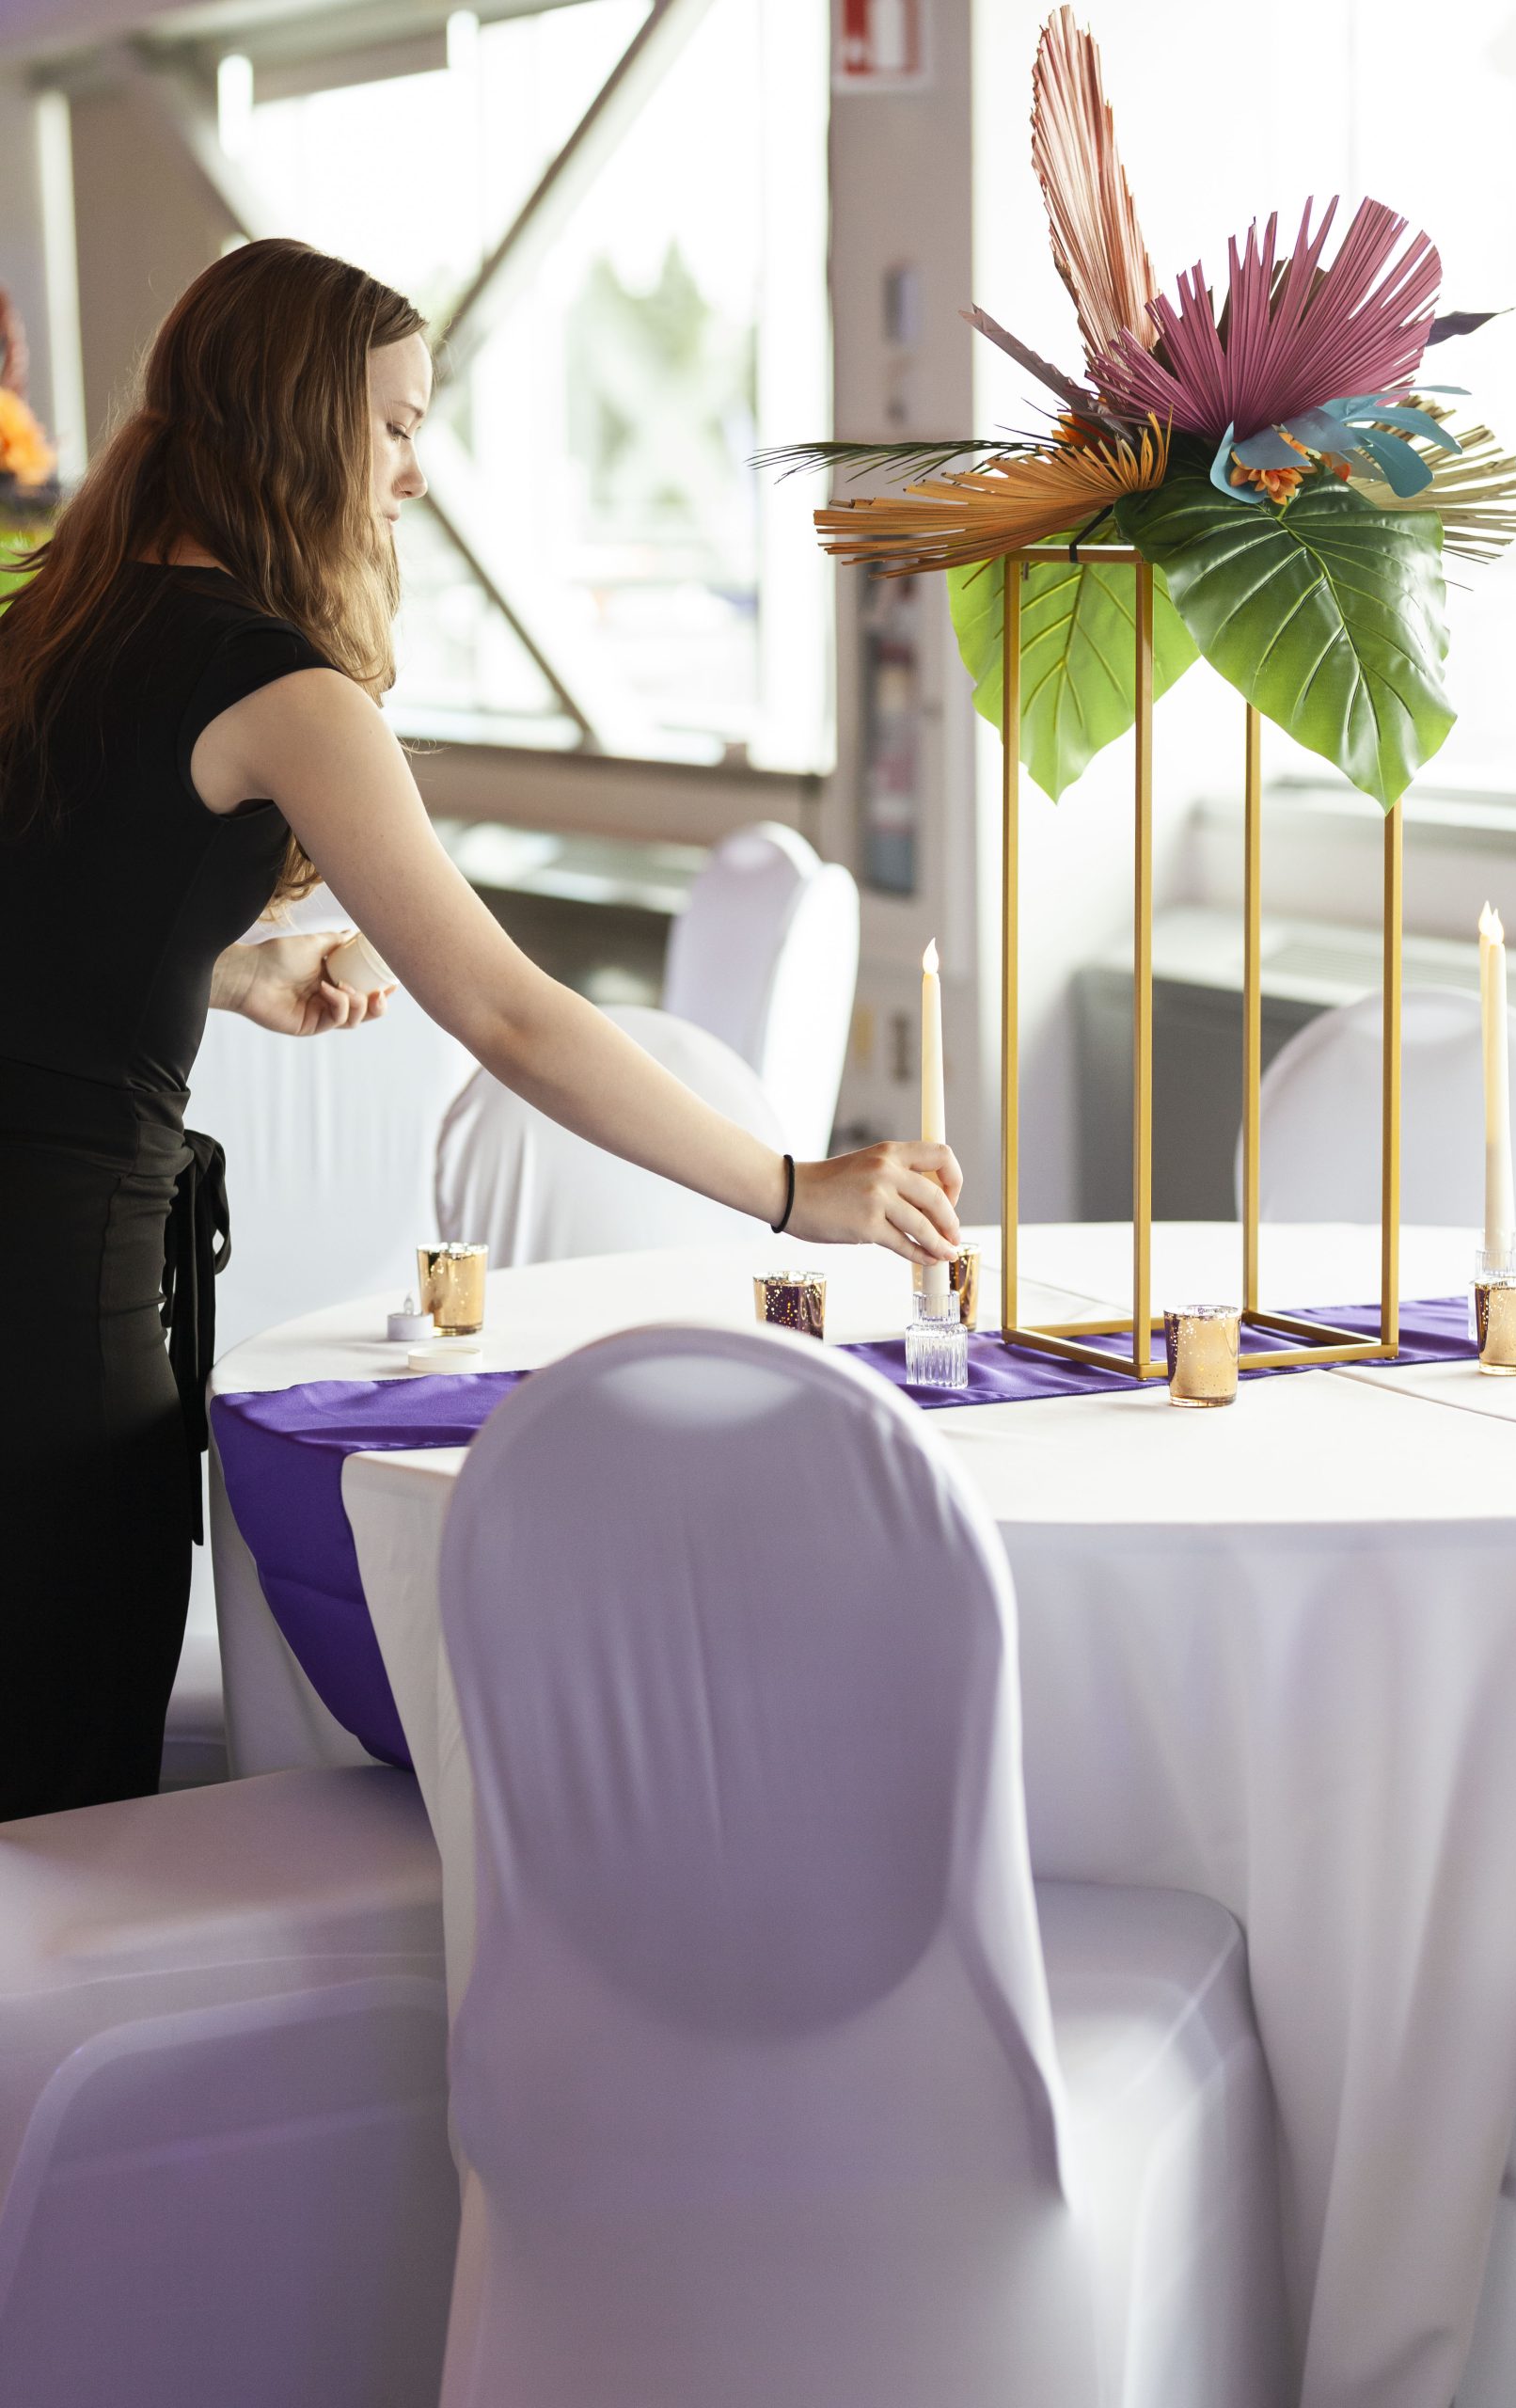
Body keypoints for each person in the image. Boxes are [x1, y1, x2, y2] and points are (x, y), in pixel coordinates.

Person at [0, 238, 963, 1823]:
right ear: (302, 424)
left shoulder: (55, 618)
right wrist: (798, 1190)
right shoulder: (285, 688)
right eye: (393, 426)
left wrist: (231, 975)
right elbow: (512, 1015)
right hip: (51, 1324)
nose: (414, 477)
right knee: (58, 1821)